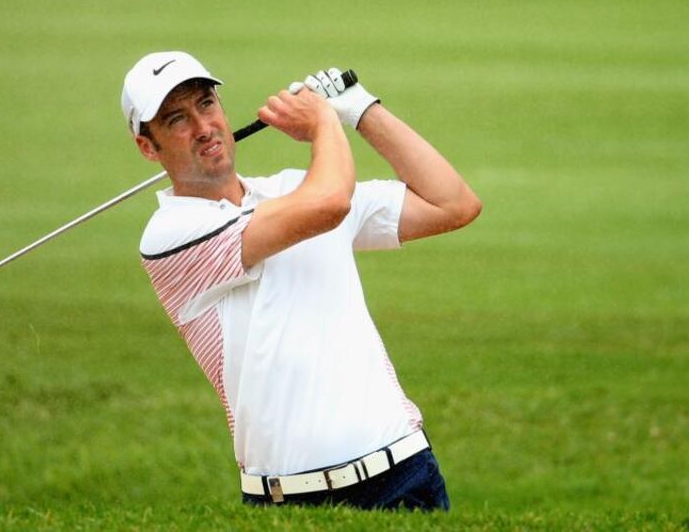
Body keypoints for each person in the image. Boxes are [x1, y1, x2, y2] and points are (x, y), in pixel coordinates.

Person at [121, 51, 481, 510]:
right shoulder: (170, 236)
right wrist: (323, 124)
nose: (203, 126)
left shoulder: (293, 188)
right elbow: (329, 203)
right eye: (176, 119)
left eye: (206, 104)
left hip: (402, 477)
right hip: (288, 503)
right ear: (148, 147)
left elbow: (452, 204)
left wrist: (361, 110)